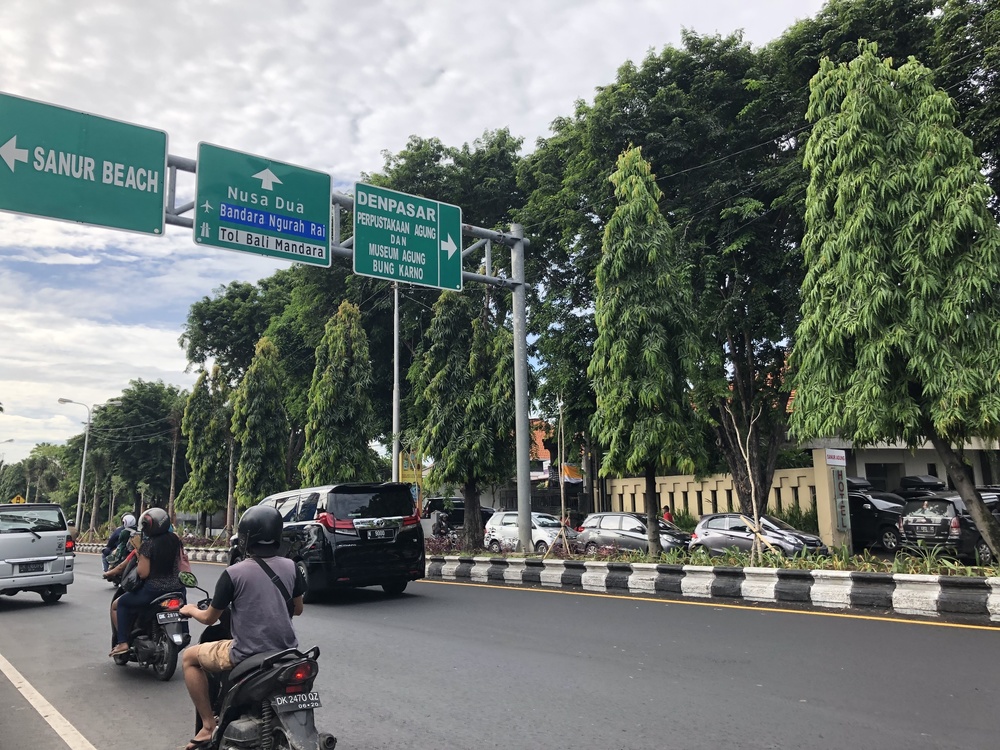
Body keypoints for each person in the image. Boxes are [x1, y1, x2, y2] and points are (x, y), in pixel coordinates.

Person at [179, 505, 305, 750]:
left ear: (246, 537)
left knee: (189, 658)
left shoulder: (234, 573)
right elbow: (297, 609)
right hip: (287, 653)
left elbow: (209, 619)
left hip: (246, 653)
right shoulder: (292, 567)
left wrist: (191, 609)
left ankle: (207, 726)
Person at [109, 508, 182, 657]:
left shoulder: (148, 546)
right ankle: (183, 632)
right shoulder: (175, 540)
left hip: (153, 591)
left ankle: (123, 642)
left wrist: (140, 555)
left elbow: (143, 573)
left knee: (119, 605)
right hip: (176, 589)